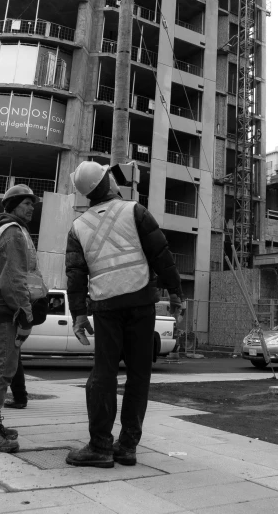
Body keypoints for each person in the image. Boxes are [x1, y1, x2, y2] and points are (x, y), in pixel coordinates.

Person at [65, 161, 183, 468]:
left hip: (105, 308)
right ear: (109, 183)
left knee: (103, 375)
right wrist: (175, 293)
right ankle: (127, 446)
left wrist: (78, 315)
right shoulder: (135, 211)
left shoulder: (78, 227)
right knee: (138, 375)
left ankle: (100, 446)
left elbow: (75, 276)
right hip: (142, 303)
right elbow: (161, 254)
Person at [0, 184, 48, 452]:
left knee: (0, 368)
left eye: (33, 204)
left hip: (2, 309)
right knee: (4, 369)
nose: (31, 208)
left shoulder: (13, 231)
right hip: (7, 310)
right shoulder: (14, 233)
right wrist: (26, 315)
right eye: (26, 203)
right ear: (13, 205)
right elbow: (13, 280)